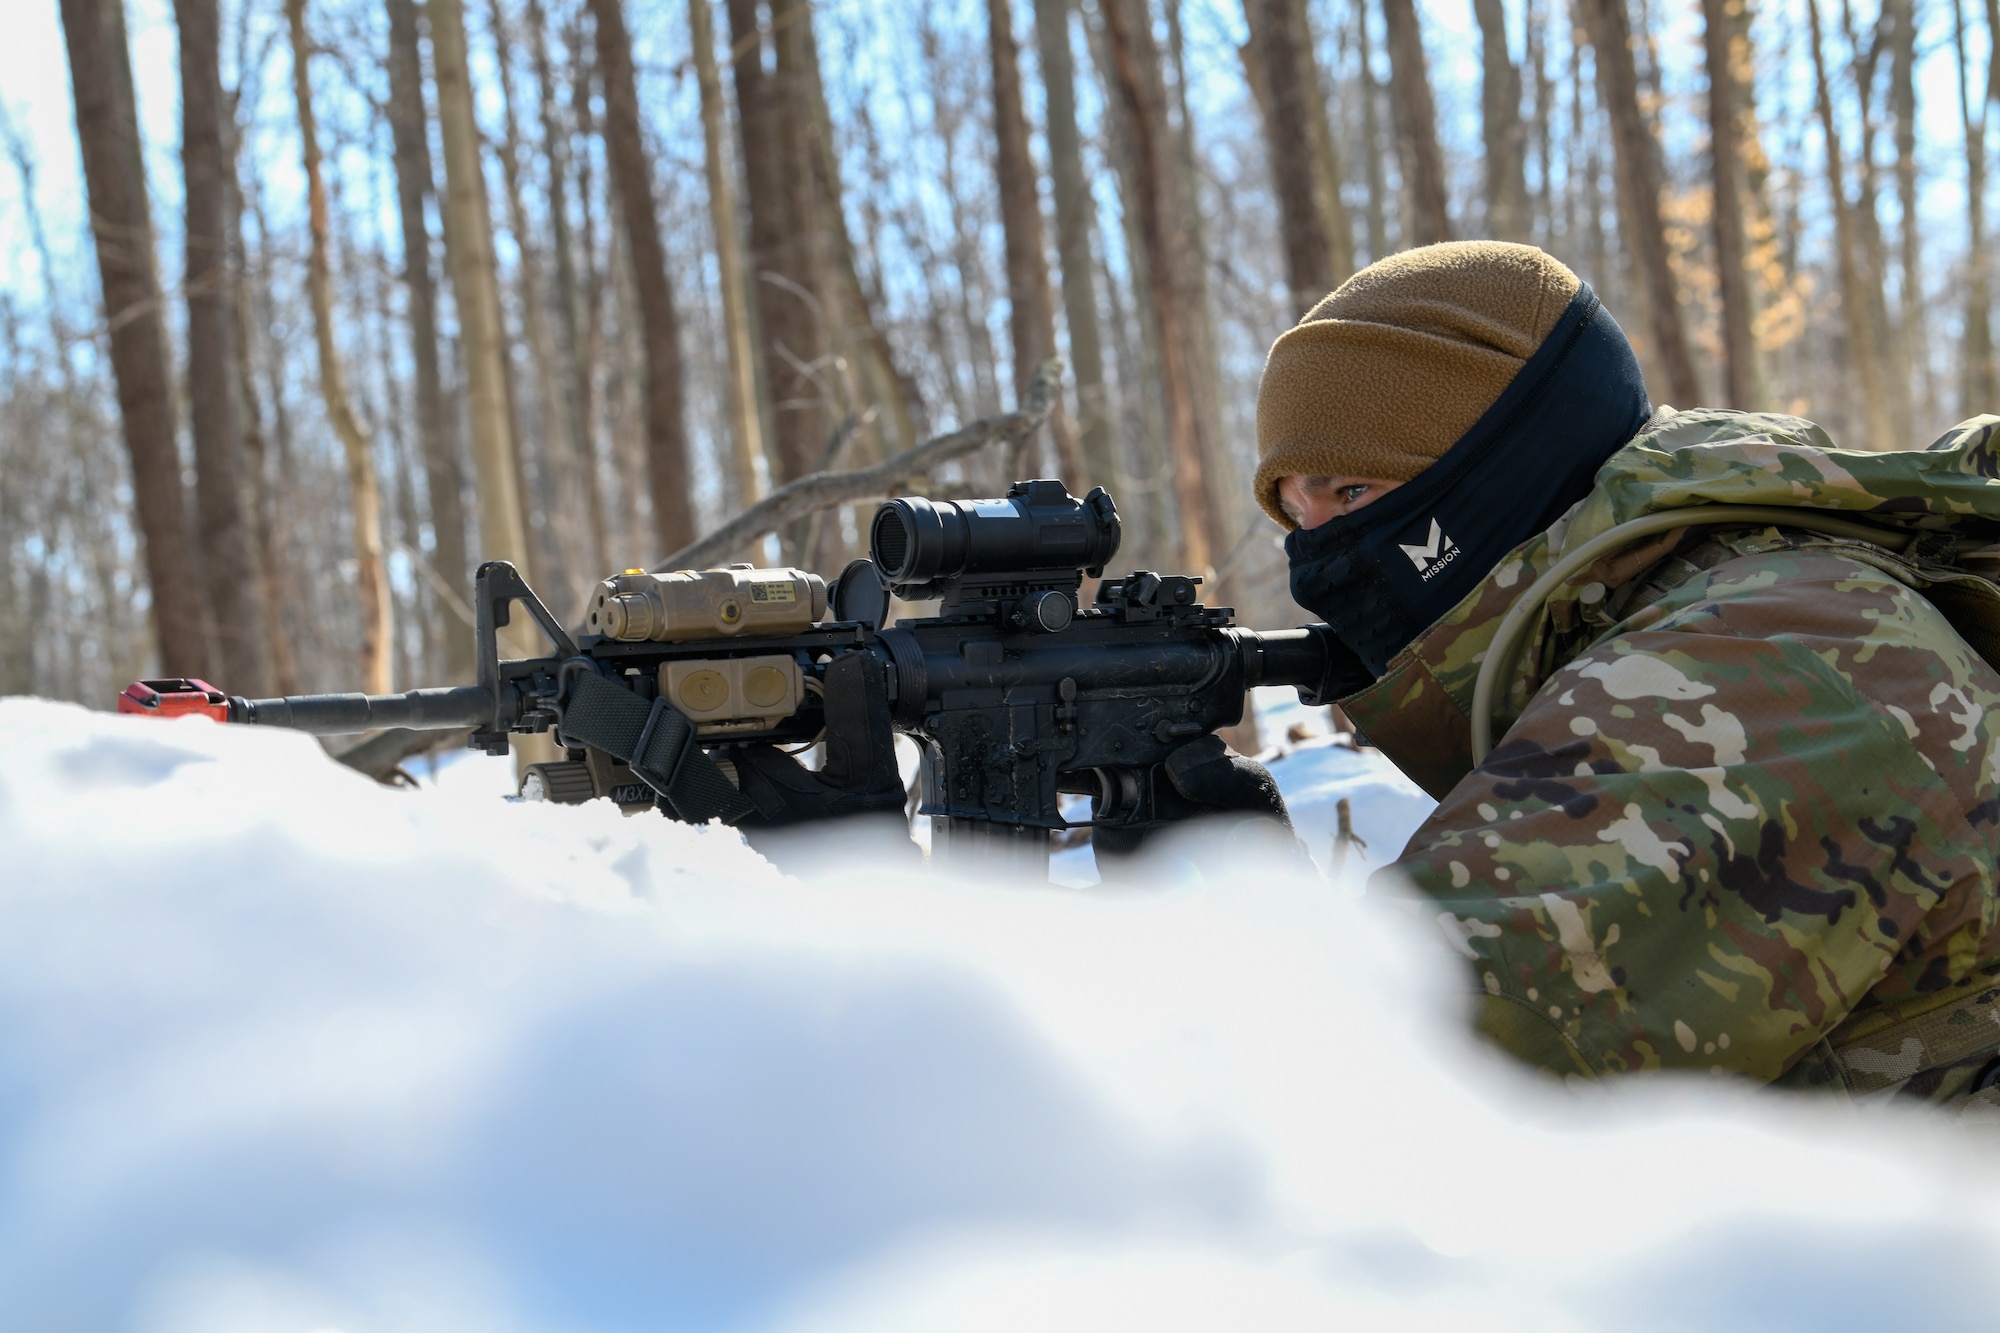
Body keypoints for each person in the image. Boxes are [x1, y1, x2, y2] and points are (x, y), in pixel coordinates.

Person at [1257, 239, 2000, 1107]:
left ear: (1500, 465)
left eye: (1349, 494)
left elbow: (1368, 1086)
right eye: (1295, 517)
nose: (1316, 558)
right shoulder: (1721, 603)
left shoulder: (1757, 654)